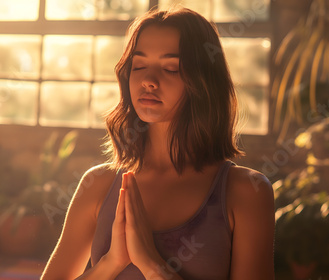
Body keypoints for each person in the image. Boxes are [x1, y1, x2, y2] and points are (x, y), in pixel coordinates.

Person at [41, 7, 275, 280]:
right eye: (139, 66)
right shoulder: (98, 184)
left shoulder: (245, 192)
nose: (148, 81)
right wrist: (111, 263)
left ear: (204, 81)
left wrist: (152, 265)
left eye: (170, 68)